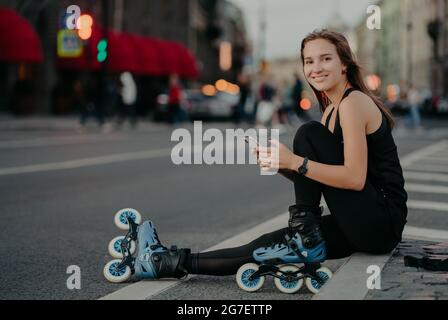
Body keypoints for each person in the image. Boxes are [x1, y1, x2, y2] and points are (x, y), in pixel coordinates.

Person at [105, 30, 408, 292]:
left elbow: (354, 178)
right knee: (263, 247)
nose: (315, 68)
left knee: (307, 134)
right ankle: (168, 262)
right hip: (364, 220)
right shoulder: (331, 109)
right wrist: (286, 167)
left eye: (325, 59)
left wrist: (297, 162)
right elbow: (329, 179)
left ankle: (305, 233)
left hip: (381, 219)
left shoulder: (353, 103)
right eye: (309, 61)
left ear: (344, 64)